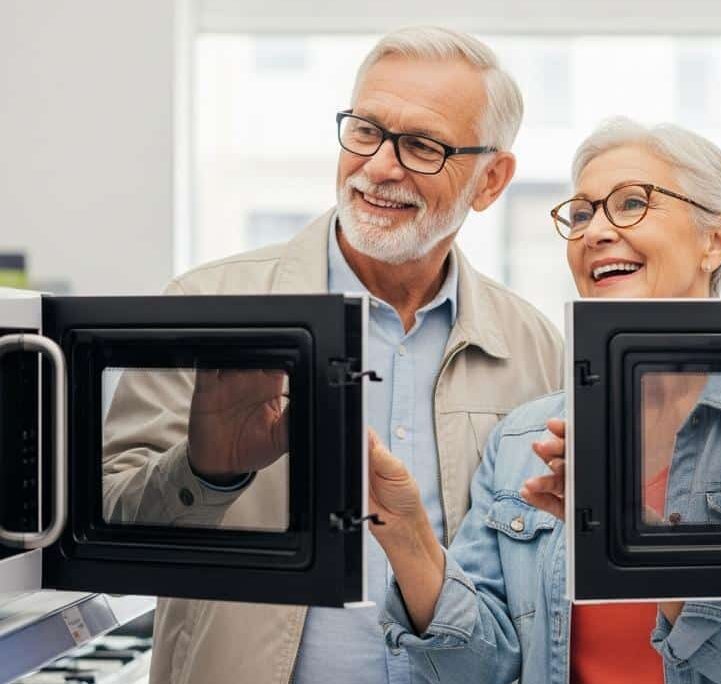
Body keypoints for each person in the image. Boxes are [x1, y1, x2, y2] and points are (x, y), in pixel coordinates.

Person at [100, 26, 563, 684]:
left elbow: (534, 588)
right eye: (366, 130)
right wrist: (206, 472)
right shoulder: (208, 303)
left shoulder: (532, 344)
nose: (379, 166)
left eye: (422, 146)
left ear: (491, 180)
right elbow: (109, 537)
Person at [370, 117, 721, 683]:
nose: (594, 231)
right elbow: (480, 668)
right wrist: (406, 537)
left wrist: (627, 528)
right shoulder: (525, 436)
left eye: (630, 204)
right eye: (581, 213)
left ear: (715, 240)